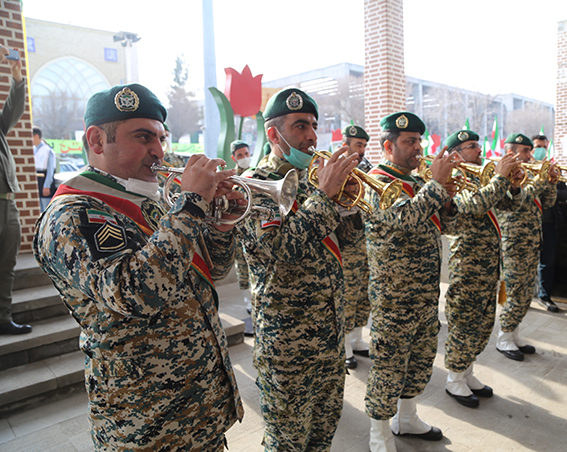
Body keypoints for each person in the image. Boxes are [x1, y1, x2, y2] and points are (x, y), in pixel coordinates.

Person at [33, 83, 244, 450]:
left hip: (201, 411)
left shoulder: (155, 200)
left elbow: (214, 270)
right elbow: (134, 294)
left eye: (161, 138)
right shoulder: (73, 213)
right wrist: (191, 205)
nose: (158, 151)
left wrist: (222, 223)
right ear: (97, 141)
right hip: (147, 425)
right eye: (144, 137)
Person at [237, 88, 360, 451]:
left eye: (314, 126)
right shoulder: (255, 187)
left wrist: (347, 202)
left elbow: (349, 241)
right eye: (300, 125)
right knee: (287, 442)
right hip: (288, 348)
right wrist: (325, 198)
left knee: (322, 435)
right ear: (274, 135)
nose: (311, 135)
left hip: (329, 336)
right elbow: (279, 252)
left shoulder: (315, 180)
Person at [364, 112, 462, 452]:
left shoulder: (420, 183)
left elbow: (449, 227)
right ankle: (379, 432)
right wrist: (435, 185)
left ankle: (406, 417)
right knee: (388, 366)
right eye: (409, 142)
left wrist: (446, 196)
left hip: (423, 294)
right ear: (389, 146)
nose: (417, 148)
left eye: (419, 140)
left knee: (419, 360)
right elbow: (403, 220)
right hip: (393, 297)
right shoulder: (377, 181)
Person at [441, 129, 518, 408]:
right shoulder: (455, 179)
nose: (479, 150)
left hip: (488, 264)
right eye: (472, 146)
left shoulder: (481, 177)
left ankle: (467, 372)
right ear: (456, 154)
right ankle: (454, 379)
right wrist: (499, 178)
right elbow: (475, 205)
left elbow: (509, 205)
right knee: (464, 322)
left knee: (483, 322)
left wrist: (514, 183)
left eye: (477, 145)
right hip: (469, 265)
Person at [495, 133, 557, 361]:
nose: (531, 155)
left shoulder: (531, 173)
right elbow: (520, 200)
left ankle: (514, 333)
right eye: (526, 151)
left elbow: (548, 202)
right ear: (511, 152)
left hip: (532, 240)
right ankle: (503, 338)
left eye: (531, 151)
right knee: (514, 291)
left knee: (525, 292)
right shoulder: (502, 173)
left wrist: (550, 182)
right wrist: (541, 180)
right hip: (514, 241)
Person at [0, 46, 32, 335]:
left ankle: (2, 317)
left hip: (8, 205)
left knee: (7, 264)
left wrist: (16, 75)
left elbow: (15, 107)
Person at [338, 124, 371, 369]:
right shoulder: (334, 166)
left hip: (366, 241)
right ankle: (345, 346)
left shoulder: (368, 168)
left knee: (363, 294)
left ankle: (357, 338)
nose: (361, 150)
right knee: (348, 295)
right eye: (358, 145)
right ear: (345, 143)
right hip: (346, 243)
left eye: (364, 146)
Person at [532, 133, 567, 312]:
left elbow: (563, 194)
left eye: (543, 147)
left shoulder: (554, 169)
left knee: (547, 262)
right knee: (524, 262)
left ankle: (544, 297)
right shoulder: (523, 169)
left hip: (549, 223)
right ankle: (522, 296)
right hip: (528, 225)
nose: (540, 150)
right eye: (537, 146)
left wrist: (550, 183)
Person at [230, 140, 253, 315]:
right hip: (239, 231)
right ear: (233, 158)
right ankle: (248, 302)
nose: (244, 158)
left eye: (246, 154)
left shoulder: (256, 173)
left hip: (254, 228)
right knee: (242, 267)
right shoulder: (230, 179)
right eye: (240, 155)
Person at [32, 126, 56, 212]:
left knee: (46, 210)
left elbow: (50, 170)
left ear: (36, 136)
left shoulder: (47, 150)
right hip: (37, 182)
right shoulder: (33, 150)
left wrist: (47, 185)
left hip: (44, 181)